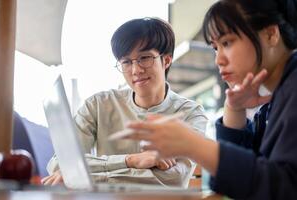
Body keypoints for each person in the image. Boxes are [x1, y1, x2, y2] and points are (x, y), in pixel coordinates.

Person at [126, 0, 297, 199]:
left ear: (271, 34)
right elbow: (241, 183)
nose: (218, 60)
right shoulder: (277, 97)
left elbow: (285, 188)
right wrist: (234, 109)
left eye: (227, 43)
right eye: (215, 48)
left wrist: (193, 144)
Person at [42, 17, 208, 188]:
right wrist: (131, 160)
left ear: (166, 60)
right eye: (126, 62)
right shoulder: (98, 105)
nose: (136, 70)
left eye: (145, 58)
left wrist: (84, 179)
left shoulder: (191, 114)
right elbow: (61, 163)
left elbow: (174, 179)